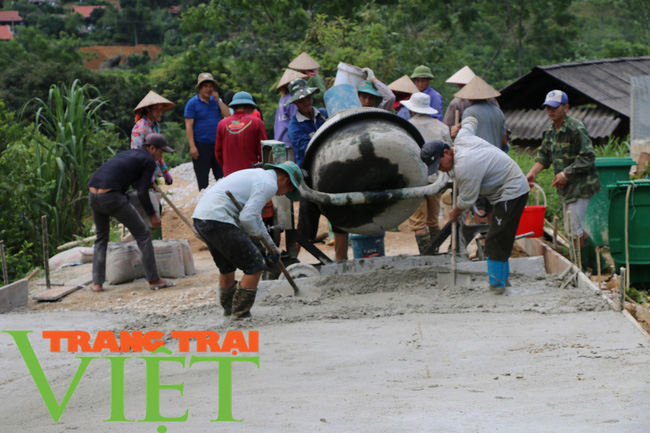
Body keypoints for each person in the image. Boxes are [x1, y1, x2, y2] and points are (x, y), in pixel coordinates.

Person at [422, 117, 529, 293]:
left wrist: (455, 212)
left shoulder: (465, 165)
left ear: (448, 153)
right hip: (500, 189)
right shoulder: (462, 137)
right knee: (500, 237)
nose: (440, 169)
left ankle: (497, 286)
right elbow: (472, 120)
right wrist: (459, 126)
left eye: (439, 164)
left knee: (495, 239)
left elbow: (467, 199)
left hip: (512, 190)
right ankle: (502, 281)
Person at [192, 161, 303, 319]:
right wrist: (257, 240)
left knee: (227, 267)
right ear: (286, 180)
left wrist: (271, 247)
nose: (283, 194)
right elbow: (247, 218)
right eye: (289, 190)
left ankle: (229, 310)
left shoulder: (259, 176)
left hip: (203, 218)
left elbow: (255, 218)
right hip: (219, 218)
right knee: (256, 265)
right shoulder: (269, 184)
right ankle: (241, 313)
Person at [88, 133, 176, 293]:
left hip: (93, 193)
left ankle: (97, 283)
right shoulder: (148, 160)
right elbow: (142, 192)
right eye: (160, 153)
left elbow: (134, 182)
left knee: (101, 238)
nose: (160, 157)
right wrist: (152, 214)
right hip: (110, 195)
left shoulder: (128, 153)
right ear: (152, 148)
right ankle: (154, 280)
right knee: (142, 234)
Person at [525, 90, 603, 271]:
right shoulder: (550, 131)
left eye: (554, 107)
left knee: (573, 229)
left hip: (582, 185)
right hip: (565, 187)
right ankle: (602, 265)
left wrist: (566, 174)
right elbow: (544, 156)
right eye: (547, 108)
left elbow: (588, 156)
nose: (550, 111)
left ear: (566, 107)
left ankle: (580, 268)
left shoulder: (576, 128)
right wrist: (532, 172)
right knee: (572, 227)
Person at [286, 78, 348, 261]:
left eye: (308, 98)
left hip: (334, 175)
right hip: (310, 178)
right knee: (305, 227)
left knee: (340, 222)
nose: (306, 102)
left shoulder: (324, 115)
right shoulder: (295, 126)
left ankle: (341, 264)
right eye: (301, 100)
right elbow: (306, 151)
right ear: (296, 103)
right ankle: (292, 263)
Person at [401, 92, 452, 254]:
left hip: (415, 180)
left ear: (411, 110)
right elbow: (449, 153)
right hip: (436, 179)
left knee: (418, 223)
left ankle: (426, 254)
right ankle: (435, 251)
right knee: (433, 220)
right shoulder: (442, 128)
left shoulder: (406, 127)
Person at [184, 72, 230, 191]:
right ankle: (203, 203)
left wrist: (219, 100)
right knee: (203, 178)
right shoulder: (192, 103)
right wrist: (192, 146)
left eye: (210, 86)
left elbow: (228, 115)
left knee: (221, 177)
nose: (208, 89)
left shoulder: (215, 102)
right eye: (205, 86)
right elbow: (189, 126)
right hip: (201, 145)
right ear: (199, 87)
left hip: (217, 144)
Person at [215, 91, 267, 177]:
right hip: (251, 173)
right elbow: (263, 152)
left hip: (229, 174)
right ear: (250, 107)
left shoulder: (222, 124)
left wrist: (226, 167)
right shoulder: (257, 123)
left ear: (233, 107)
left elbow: (218, 153)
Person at [450, 76, 507, 151]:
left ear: (469, 97)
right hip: (496, 156)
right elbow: (503, 141)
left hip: (479, 156)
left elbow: (465, 140)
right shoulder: (498, 111)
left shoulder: (469, 112)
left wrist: (456, 134)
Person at [131, 91, 175, 185]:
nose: (160, 112)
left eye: (161, 109)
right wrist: (145, 175)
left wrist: (165, 171)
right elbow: (136, 154)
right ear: (148, 110)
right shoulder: (140, 128)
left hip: (152, 174)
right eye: (156, 109)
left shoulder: (156, 126)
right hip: (142, 176)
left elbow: (158, 152)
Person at [274, 69, 307, 162]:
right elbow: (296, 121)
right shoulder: (292, 101)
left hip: (280, 140)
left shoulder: (283, 98)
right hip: (289, 143)